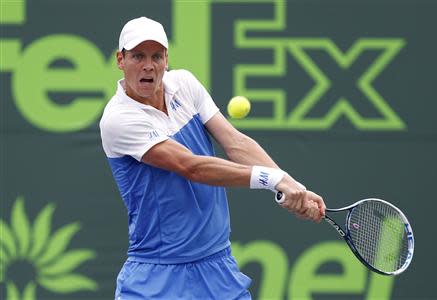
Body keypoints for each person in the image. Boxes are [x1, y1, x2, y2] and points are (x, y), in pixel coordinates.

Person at [100, 16, 326, 300]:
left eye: (156, 56)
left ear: (166, 59)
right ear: (120, 60)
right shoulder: (119, 119)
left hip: (218, 268)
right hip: (157, 277)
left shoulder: (184, 84)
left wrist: (294, 186)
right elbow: (191, 167)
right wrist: (274, 179)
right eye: (137, 56)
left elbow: (236, 142)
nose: (148, 65)